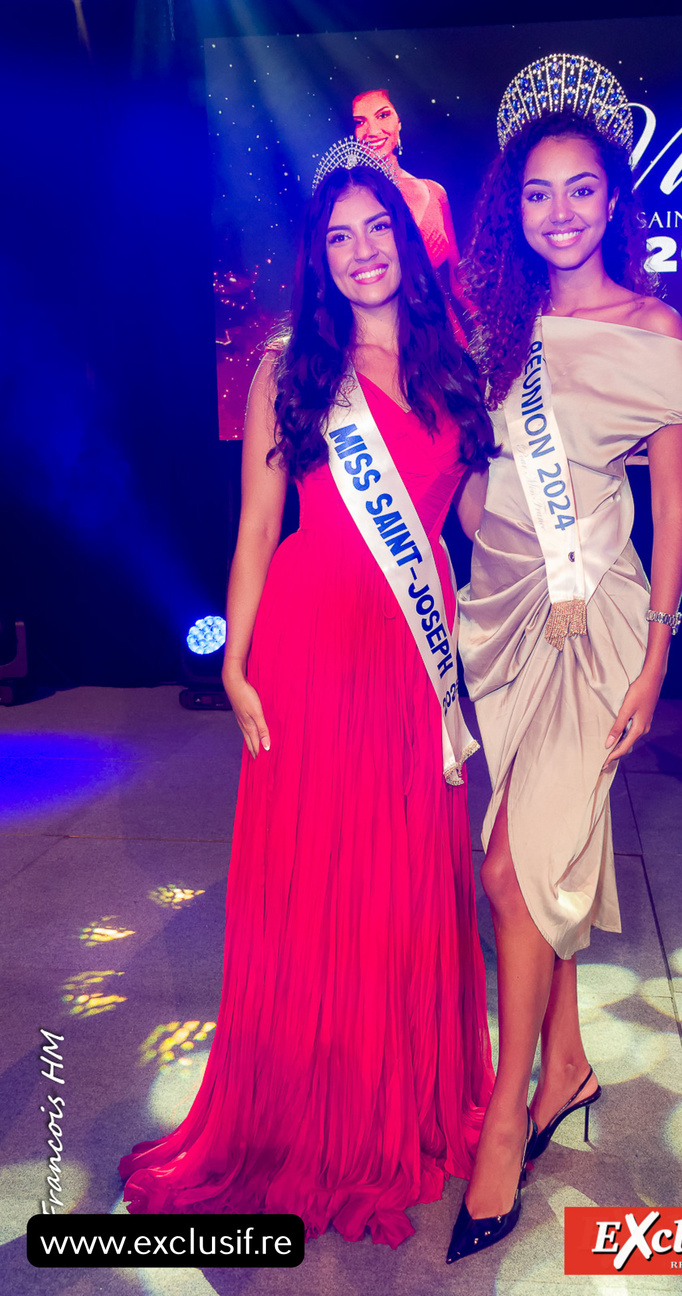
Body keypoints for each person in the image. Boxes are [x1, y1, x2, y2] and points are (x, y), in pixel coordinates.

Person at [118, 138, 497, 1249]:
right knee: (312, 881)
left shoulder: (452, 362)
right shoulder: (291, 364)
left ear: (409, 241)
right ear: (317, 258)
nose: (360, 251)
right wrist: (235, 657)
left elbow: (472, 525)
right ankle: (308, 1111)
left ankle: (398, 1100)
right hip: (311, 638)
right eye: (337, 237)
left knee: (401, 873)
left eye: (377, 229)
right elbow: (255, 523)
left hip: (410, 651)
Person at [447, 56, 682, 1262]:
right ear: (517, 204)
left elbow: (678, 507)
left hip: (595, 619)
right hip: (500, 610)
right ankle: (571, 1068)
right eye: (539, 194)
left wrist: (658, 654)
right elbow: (477, 468)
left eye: (581, 190)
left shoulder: (655, 329)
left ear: (613, 198)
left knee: (509, 868)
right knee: (531, 866)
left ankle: (509, 1119)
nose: (560, 212)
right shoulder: (491, 319)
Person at [352, 89, 471, 338]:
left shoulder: (434, 193)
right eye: (360, 122)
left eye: (383, 115)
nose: (372, 130)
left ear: (399, 122)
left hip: (444, 338)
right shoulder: (349, 205)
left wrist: (494, 334)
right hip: (381, 342)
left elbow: (458, 279)